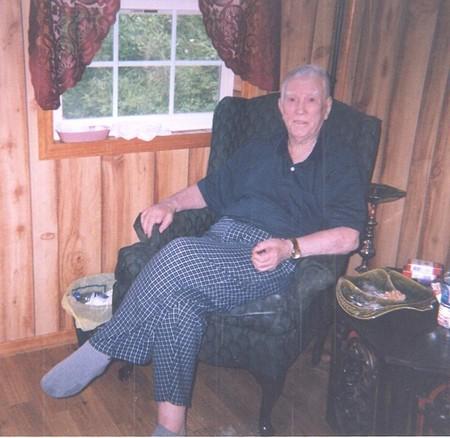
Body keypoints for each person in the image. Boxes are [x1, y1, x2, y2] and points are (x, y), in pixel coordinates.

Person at [40, 64, 367, 436]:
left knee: (180, 252)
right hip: (221, 240)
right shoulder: (258, 151)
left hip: (269, 254)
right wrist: (170, 204)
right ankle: (170, 429)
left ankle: (105, 344)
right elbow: (208, 191)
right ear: (280, 106)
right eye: (292, 100)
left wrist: (290, 247)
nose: (300, 109)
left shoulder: (339, 164)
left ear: (327, 107)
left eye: (311, 100)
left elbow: (349, 237)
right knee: (179, 307)